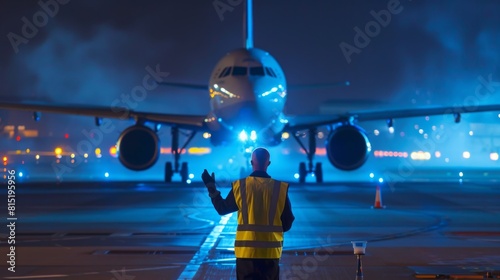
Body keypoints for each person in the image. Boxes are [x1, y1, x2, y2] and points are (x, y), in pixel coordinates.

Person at [202, 147, 294, 280]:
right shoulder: (280, 188)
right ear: (268, 163)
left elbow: (222, 209)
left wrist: (211, 188)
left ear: (252, 162)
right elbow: (287, 222)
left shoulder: (240, 186)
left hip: (246, 255)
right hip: (270, 255)